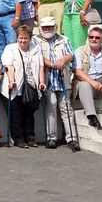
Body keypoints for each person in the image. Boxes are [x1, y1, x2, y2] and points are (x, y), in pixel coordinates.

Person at [35, 16, 81, 152]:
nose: (47, 29)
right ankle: (51, 138)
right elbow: (35, 56)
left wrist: (63, 60)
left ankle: (72, 139)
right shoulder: (36, 40)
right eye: (45, 27)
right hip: (47, 80)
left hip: (63, 78)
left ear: (55, 27)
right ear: (41, 28)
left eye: (50, 27)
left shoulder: (63, 39)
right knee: (51, 105)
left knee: (66, 109)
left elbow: (70, 54)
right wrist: (49, 63)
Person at [2, 25, 45, 149]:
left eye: (26, 38)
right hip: (15, 86)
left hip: (31, 86)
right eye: (21, 38)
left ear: (30, 38)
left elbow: (41, 67)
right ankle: (18, 139)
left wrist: (41, 82)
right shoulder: (10, 49)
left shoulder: (36, 48)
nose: (23, 40)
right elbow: (9, 66)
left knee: (29, 113)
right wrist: (11, 81)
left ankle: (30, 137)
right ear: (17, 38)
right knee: (16, 114)